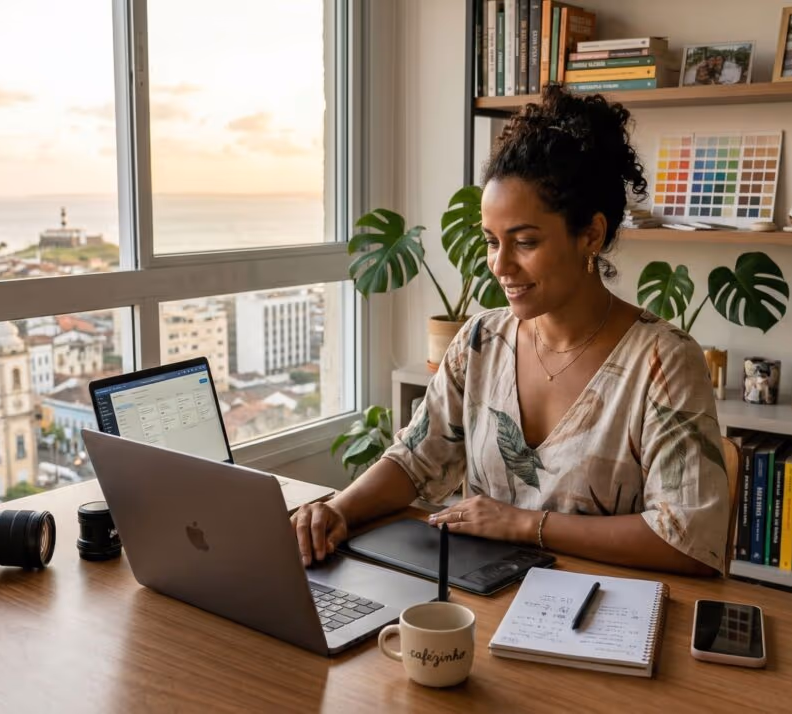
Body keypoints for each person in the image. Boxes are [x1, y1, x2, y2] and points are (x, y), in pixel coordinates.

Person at [291, 85, 730, 577]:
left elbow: (687, 539)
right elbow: (416, 458)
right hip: (484, 606)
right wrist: (338, 510)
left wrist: (525, 524)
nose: (500, 266)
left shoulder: (663, 362)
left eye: (524, 242)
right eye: (491, 242)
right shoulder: (481, 342)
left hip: (607, 619)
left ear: (591, 234)